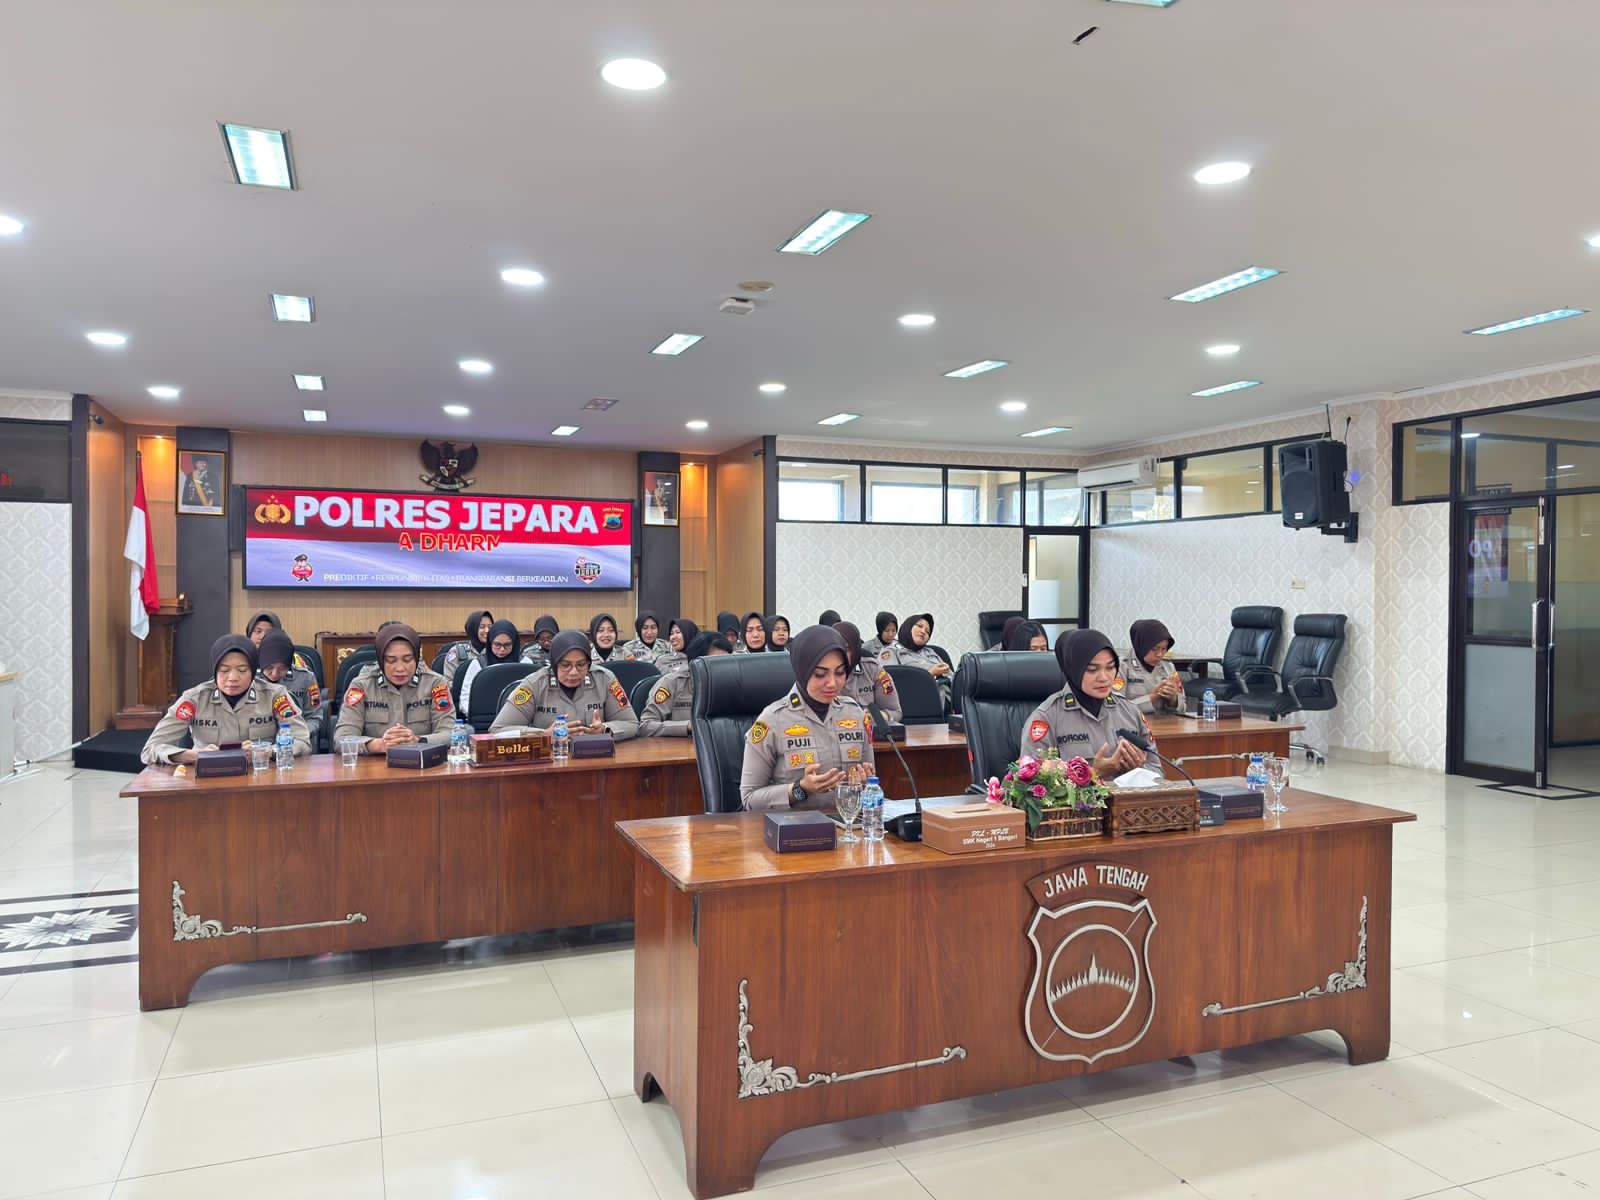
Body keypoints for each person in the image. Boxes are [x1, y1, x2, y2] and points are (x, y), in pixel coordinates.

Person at [740, 625, 874, 811]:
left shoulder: (855, 714)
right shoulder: (772, 720)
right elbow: (749, 799)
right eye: (820, 674)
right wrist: (800, 789)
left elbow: (870, 784)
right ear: (802, 670)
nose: (832, 683)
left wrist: (864, 785)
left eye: (840, 672)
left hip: (847, 823)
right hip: (795, 826)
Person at [142, 635, 310, 765]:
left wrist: (267, 751)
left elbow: (302, 741)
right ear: (215, 671)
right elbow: (151, 749)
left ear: (253, 672)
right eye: (224, 670)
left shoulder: (275, 696)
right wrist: (193, 755)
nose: (233, 678)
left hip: (260, 777)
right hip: (207, 780)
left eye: (242, 670)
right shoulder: (194, 699)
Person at [1020, 629, 1162, 778]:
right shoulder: (1046, 717)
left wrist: (1140, 769)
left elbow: (1158, 771)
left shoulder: (1130, 711)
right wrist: (1093, 774)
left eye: (1110, 667)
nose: (1104, 678)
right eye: (1092, 670)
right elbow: (1031, 782)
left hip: (1127, 794)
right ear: (1073, 670)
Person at [333, 623, 457, 755]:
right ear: (381, 660)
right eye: (391, 660)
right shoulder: (361, 685)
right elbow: (341, 739)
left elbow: (451, 734)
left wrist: (418, 741)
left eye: (407, 660)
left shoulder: (435, 683)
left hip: (424, 762)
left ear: (416, 658)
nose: (400, 668)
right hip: (375, 764)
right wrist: (378, 745)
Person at [489, 629, 638, 738]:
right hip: (549, 763)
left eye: (581, 665)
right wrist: (544, 735)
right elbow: (498, 730)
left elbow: (631, 723)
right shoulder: (534, 684)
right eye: (565, 665)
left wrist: (604, 729)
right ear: (554, 664)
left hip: (594, 758)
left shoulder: (604, 679)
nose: (573, 672)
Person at [640, 631, 732, 736]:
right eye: (715, 662)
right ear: (695, 663)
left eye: (726, 662)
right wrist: (687, 726)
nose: (722, 668)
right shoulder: (672, 683)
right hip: (679, 745)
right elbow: (646, 726)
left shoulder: (733, 685)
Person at [257, 629, 326, 747]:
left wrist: (298, 735)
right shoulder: (251, 680)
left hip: (296, 743)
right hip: (260, 744)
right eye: (269, 668)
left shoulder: (305, 678)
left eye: (282, 668)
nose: (275, 673)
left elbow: (314, 717)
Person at [833, 620, 901, 722]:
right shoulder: (817, 674)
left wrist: (878, 716)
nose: (841, 654)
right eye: (836, 648)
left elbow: (895, 712)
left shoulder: (873, 669)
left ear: (855, 650)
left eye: (847, 649)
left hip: (866, 729)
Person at [879, 612, 952, 705]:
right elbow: (889, 686)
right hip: (915, 706)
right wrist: (930, 674)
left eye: (927, 631)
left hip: (948, 704)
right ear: (908, 627)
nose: (923, 631)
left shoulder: (931, 652)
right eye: (919, 626)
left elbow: (952, 677)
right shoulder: (891, 651)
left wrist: (948, 673)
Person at [458, 618, 521, 716]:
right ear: (490, 642)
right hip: (483, 718)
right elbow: (465, 698)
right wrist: (475, 715)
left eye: (507, 645)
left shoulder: (525, 662)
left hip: (518, 717)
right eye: (497, 644)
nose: (502, 649)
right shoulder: (478, 664)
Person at [1122, 619, 1186, 715]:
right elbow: (1117, 709)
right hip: (1133, 723)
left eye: (1164, 649)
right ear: (1141, 645)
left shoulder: (1168, 668)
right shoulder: (1121, 667)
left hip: (1165, 723)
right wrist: (1152, 697)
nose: (1160, 654)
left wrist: (1173, 700)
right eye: (1154, 649)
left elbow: (1183, 708)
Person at [244, 610, 315, 675]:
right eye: (258, 631)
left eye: (269, 632)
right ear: (249, 634)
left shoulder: (293, 659)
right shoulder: (242, 658)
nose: (262, 636)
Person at [440, 610, 494, 682]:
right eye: (482, 627)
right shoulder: (456, 652)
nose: (487, 630)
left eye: (490, 627)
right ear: (473, 628)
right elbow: (447, 682)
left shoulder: (496, 651)